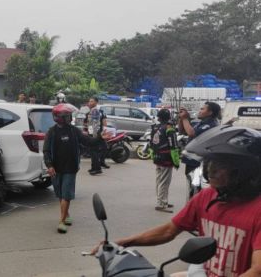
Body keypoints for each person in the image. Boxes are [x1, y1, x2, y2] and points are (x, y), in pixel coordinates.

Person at [93, 125, 261, 276]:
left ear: (245, 170)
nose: (212, 170)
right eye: (210, 163)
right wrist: (124, 242)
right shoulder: (208, 196)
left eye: (221, 165)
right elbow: (169, 230)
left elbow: (257, 270)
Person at [43, 103, 107, 234]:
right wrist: (49, 165)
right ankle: (66, 214)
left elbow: (88, 141)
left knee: (66, 194)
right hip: (56, 169)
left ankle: (61, 221)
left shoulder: (74, 131)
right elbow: (46, 151)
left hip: (70, 168)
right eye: (67, 116)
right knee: (60, 194)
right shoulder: (52, 132)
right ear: (59, 117)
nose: (70, 118)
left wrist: (100, 138)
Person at [179, 102, 221, 196]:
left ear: (210, 112)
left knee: (196, 189)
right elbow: (182, 130)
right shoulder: (201, 123)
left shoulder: (210, 125)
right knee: (191, 187)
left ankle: (195, 208)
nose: (200, 111)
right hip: (192, 161)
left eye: (202, 109)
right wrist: (182, 118)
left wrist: (185, 118)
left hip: (200, 163)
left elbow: (191, 133)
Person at [151, 109, 180, 213]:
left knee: (159, 180)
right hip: (166, 159)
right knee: (165, 181)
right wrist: (176, 161)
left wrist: (153, 156)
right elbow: (174, 146)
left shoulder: (155, 128)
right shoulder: (169, 129)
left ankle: (163, 201)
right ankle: (161, 203)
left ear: (159, 117)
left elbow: (152, 143)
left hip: (157, 157)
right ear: (169, 118)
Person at [84, 97, 109, 175]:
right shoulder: (93, 110)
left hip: (95, 134)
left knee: (93, 151)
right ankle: (94, 167)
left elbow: (95, 125)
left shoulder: (95, 111)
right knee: (93, 151)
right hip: (96, 133)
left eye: (91, 101)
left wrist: (93, 136)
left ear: (96, 102)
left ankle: (97, 168)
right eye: (89, 101)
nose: (89, 102)